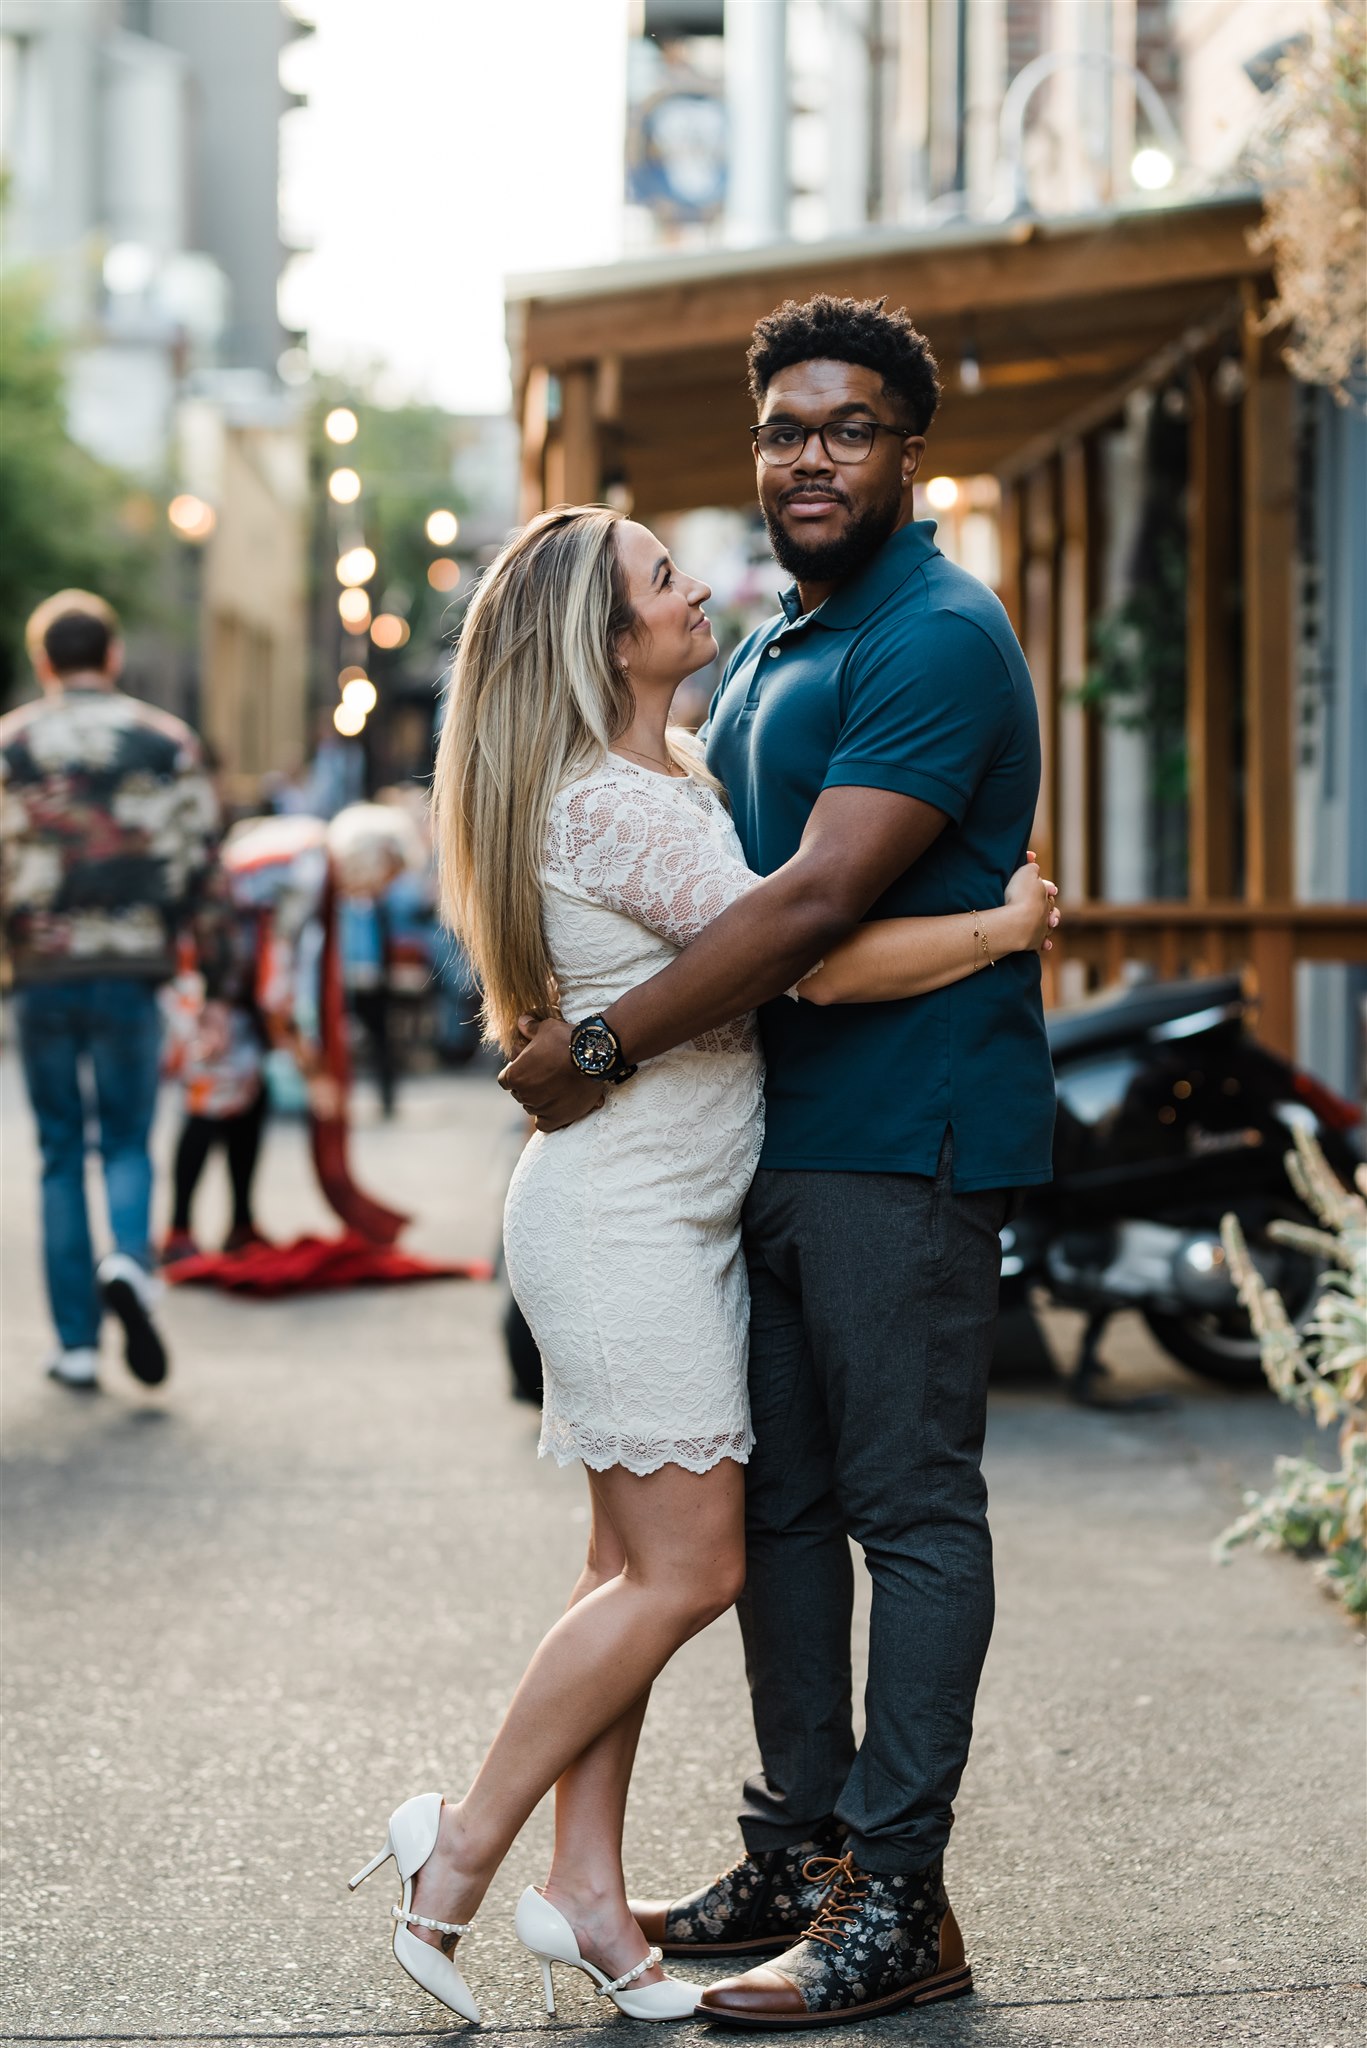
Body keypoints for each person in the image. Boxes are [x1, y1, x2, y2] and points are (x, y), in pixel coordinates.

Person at [346, 501, 1057, 2025]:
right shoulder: (620, 807)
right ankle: (459, 1848)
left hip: (654, 1208)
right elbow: (809, 944)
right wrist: (1003, 926)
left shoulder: (659, 774)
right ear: (605, 641)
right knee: (691, 1567)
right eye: (664, 580)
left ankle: (588, 1895)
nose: (697, 590)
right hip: (625, 1221)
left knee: (626, 1568)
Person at [0, 590, 218, 1389]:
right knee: (126, 1139)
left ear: (43, 661)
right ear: (114, 656)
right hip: (134, 968)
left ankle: (76, 1345)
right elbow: (202, 863)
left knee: (60, 1151)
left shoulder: (10, 745)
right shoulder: (165, 742)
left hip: (43, 972)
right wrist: (216, 979)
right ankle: (128, 1260)